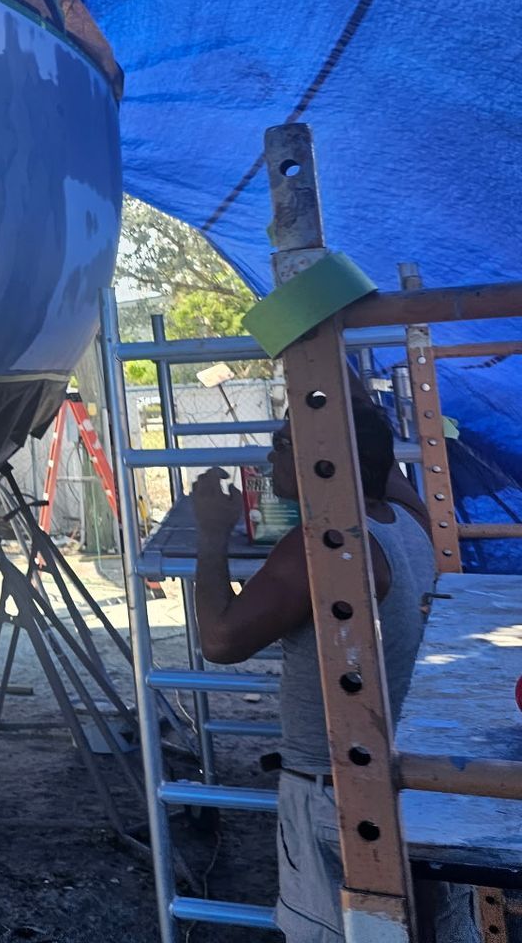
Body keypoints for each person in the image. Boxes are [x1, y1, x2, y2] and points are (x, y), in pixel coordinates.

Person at [188, 394, 470, 942]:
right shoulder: (408, 522)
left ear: (326, 456)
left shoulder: (325, 543)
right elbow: (378, 460)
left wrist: (210, 532)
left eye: (282, 445)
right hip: (396, 774)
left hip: (332, 791)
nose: (270, 461)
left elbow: (221, 642)